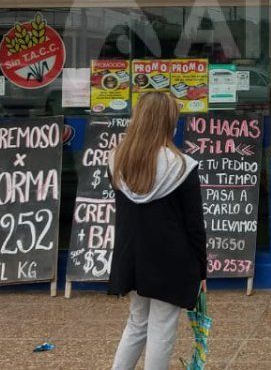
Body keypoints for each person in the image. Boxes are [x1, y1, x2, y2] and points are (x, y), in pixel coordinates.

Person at [108, 92, 207, 370]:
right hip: (171, 259)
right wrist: (201, 270)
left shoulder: (117, 160)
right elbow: (194, 225)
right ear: (169, 122)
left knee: (137, 323)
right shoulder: (182, 166)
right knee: (162, 327)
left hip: (132, 257)